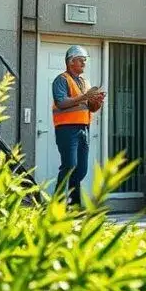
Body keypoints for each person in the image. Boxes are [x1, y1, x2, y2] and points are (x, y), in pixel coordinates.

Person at [52, 45, 105, 207]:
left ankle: (73, 206)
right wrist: (85, 96)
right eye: (81, 60)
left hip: (84, 128)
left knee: (81, 170)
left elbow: (90, 107)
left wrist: (96, 102)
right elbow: (61, 102)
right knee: (69, 166)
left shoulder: (84, 81)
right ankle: (57, 205)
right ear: (70, 62)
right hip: (66, 129)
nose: (84, 63)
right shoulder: (61, 80)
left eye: (85, 61)